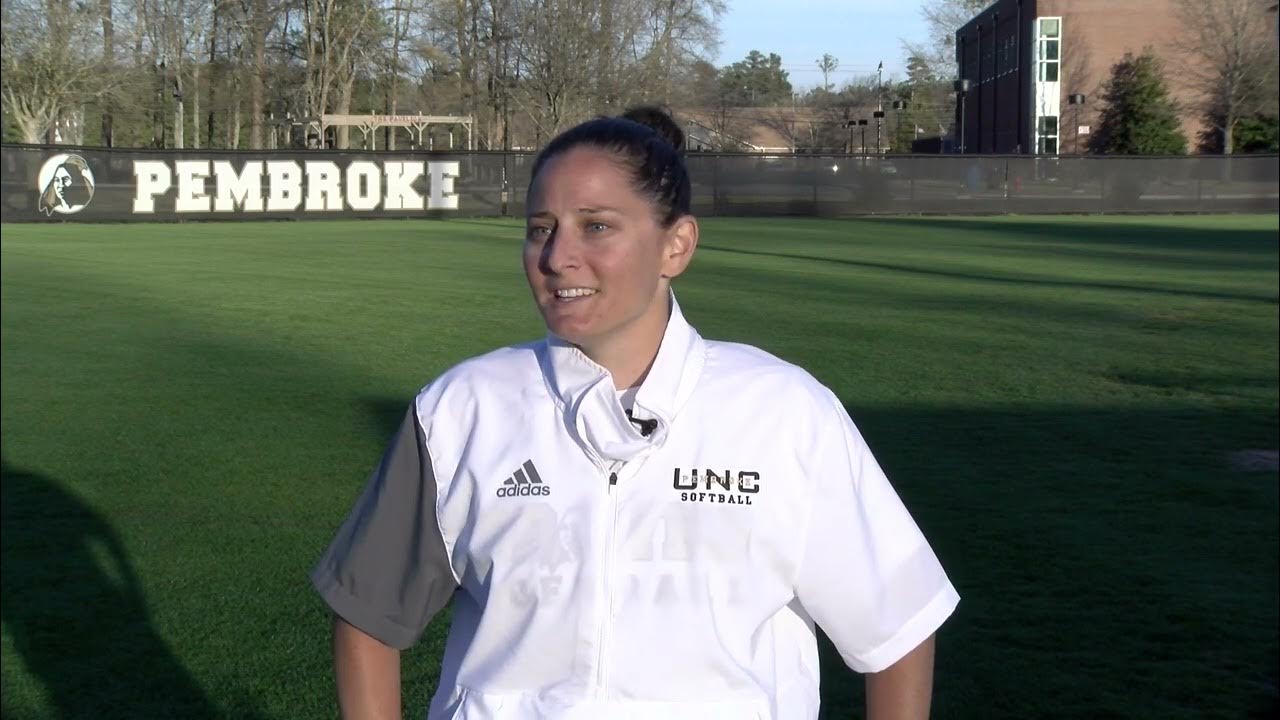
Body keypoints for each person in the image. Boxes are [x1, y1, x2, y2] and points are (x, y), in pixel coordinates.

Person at [312, 106, 959, 720]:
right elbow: (368, 615)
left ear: (676, 246)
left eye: (595, 226)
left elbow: (898, 624)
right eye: (541, 227)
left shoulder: (783, 412)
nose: (557, 256)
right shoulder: (462, 409)